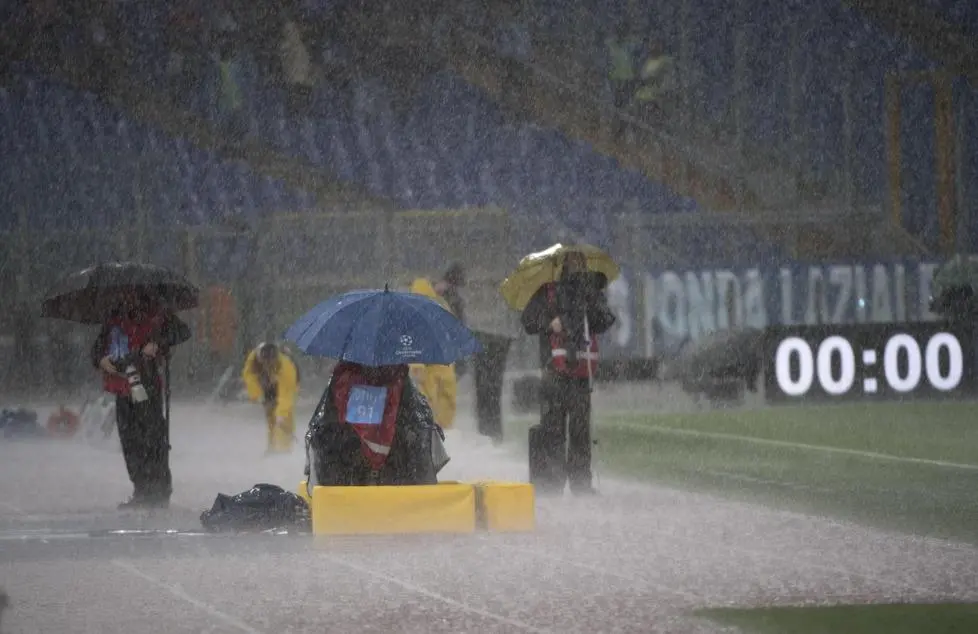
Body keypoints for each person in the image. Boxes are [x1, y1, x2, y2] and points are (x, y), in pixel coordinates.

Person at [521, 251, 616, 496]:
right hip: (554, 372)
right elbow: (528, 321)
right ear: (563, 264)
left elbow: (605, 320)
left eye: (580, 261)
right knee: (554, 429)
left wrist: (592, 301)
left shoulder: (590, 291)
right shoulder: (547, 291)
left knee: (580, 431)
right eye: (572, 261)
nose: (577, 265)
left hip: (581, 374)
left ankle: (580, 484)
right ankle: (553, 484)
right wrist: (549, 322)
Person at [91, 292, 191, 509]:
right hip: (122, 388)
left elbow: (181, 332)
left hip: (148, 387)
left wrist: (157, 343)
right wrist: (101, 360)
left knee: (153, 438)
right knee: (130, 441)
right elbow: (97, 350)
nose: (129, 301)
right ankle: (142, 489)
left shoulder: (158, 313)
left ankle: (159, 490)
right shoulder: (113, 319)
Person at [303, 361, 447, 490]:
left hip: (345, 479)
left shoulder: (341, 378)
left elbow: (325, 428)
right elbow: (418, 426)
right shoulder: (399, 378)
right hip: (396, 480)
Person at [407, 265, 465, 431]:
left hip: (436, 369)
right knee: (432, 406)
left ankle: (435, 433)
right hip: (434, 371)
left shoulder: (442, 307)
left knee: (432, 406)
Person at [242, 342, 300, 454]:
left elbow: (286, 395)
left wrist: (281, 414)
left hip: (289, 382)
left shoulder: (286, 366)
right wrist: (257, 394)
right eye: (265, 363)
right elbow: (249, 376)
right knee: (270, 415)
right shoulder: (253, 359)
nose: (268, 366)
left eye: (271, 363)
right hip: (268, 383)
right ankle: (272, 446)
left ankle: (285, 447)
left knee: (285, 416)